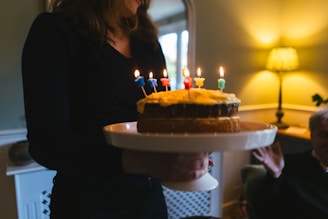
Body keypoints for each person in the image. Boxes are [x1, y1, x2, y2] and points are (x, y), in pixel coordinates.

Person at [21, 0, 210, 218]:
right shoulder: (54, 31)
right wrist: (146, 163)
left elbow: (156, 121)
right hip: (87, 204)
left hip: (150, 201)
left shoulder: (147, 43)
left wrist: (188, 145)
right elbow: (47, 143)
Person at [252, 108, 328, 219]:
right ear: (312, 137)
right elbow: (265, 212)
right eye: (324, 135)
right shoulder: (287, 165)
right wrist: (275, 176)